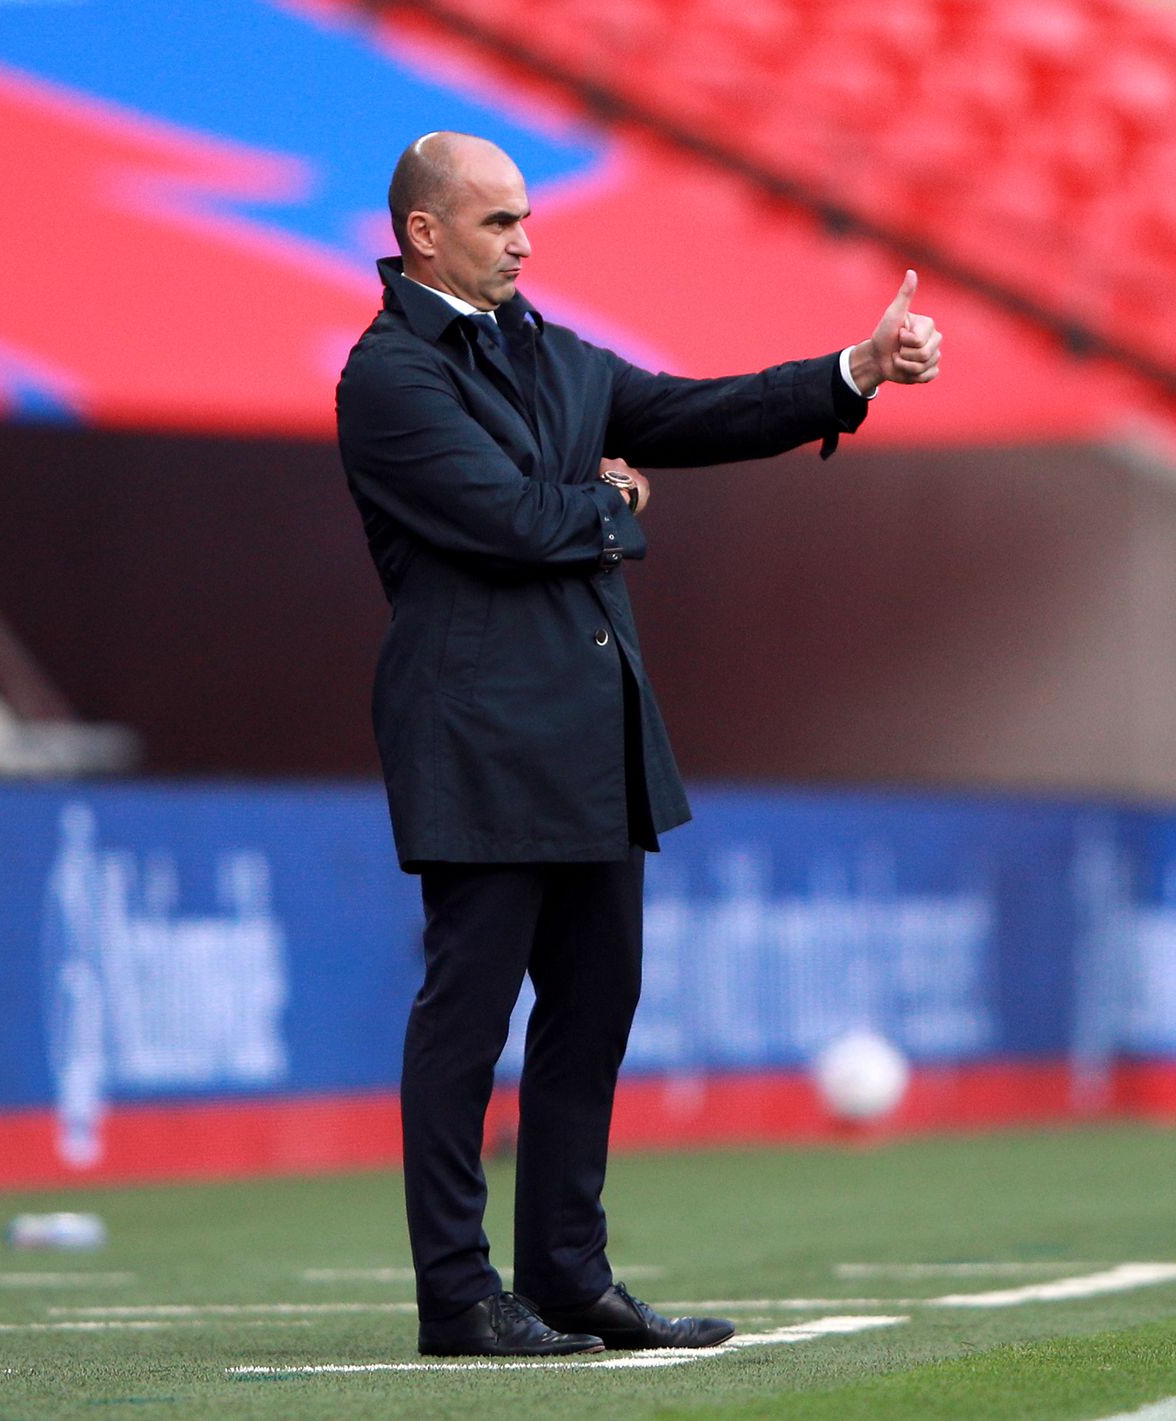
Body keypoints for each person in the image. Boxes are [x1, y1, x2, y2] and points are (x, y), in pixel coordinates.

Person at [336, 131, 941, 1358]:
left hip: (590, 737)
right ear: (423, 234)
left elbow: (691, 412)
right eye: (498, 220)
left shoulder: (552, 355)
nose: (524, 238)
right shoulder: (388, 375)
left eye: (523, 218)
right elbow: (506, 520)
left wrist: (855, 371)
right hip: (481, 741)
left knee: (593, 1006)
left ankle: (568, 1273)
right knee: (469, 1015)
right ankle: (458, 1294)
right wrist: (609, 503)